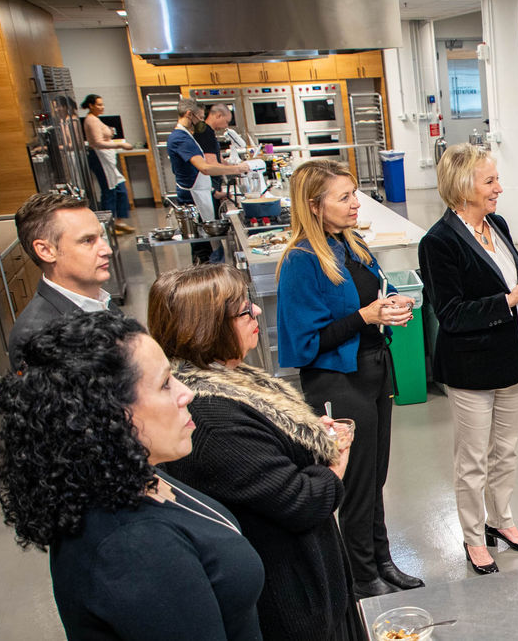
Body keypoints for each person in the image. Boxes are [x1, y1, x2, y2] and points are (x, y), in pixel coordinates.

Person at [0, 311, 264, 640]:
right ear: (109, 416)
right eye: (165, 384)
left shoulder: (130, 474)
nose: (186, 393)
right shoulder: (135, 551)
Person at [150, 265, 361, 640]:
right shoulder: (211, 419)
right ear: (207, 327)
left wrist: (304, 439)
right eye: (244, 309)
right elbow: (303, 501)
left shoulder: (229, 377)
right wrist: (332, 463)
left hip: (310, 579)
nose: (257, 312)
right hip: (291, 599)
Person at [276, 159, 424, 598]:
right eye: (344, 197)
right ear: (313, 205)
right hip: (338, 381)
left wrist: (391, 307)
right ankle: (361, 578)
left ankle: (382, 560)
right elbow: (305, 344)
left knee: (375, 477)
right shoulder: (303, 261)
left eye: (354, 193)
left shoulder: (352, 245)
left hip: (375, 370)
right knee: (356, 484)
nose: (356, 203)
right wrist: (365, 316)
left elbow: (372, 295)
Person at [418, 143, 518, 575]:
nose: (499, 189)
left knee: (505, 452)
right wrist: (510, 298)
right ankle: (474, 538)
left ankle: (501, 520)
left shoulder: (499, 224)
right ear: (462, 187)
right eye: (490, 181)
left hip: (508, 358)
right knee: (472, 460)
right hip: (469, 367)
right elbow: (450, 314)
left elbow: (510, 278)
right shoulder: (438, 242)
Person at [7, 192, 121, 369]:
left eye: (101, 237)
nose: (106, 250)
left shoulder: (101, 302)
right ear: (46, 250)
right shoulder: (38, 336)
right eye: (88, 240)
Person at [166, 98, 249, 263]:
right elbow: (205, 167)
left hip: (200, 194)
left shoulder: (186, 136)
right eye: (200, 117)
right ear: (190, 115)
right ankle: (207, 279)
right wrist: (237, 169)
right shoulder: (180, 138)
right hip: (193, 199)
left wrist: (213, 192)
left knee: (208, 244)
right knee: (203, 247)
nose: (201, 122)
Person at [80, 94, 135, 234]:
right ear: (91, 105)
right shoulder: (91, 120)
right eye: (98, 104)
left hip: (107, 159)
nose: (102, 107)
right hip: (99, 159)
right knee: (109, 191)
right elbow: (96, 143)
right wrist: (120, 145)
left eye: (102, 104)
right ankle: (108, 225)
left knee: (120, 189)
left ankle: (118, 221)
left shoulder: (96, 119)